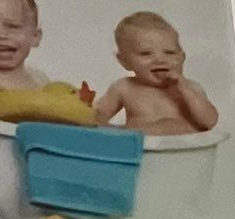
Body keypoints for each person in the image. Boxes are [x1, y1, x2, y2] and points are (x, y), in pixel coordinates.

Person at [91, 11, 219, 136]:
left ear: (182, 57)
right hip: (144, 154)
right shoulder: (124, 88)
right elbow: (95, 119)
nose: (160, 59)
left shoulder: (191, 88)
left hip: (188, 153)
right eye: (146, 53)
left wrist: (187, 91)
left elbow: (210, 122)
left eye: (170, 52)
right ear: (124, 61)